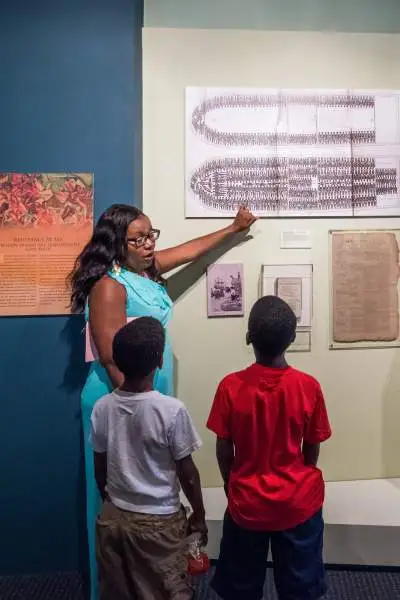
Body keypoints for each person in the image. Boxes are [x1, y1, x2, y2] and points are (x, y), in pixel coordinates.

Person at [69, 203, 256, 600]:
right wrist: (141, 409)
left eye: (152, 234)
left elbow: (189, 251)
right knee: (116, 497)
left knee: (149, 489)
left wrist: (233, 229)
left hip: (146, 397)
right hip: (119, 401)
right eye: (138, 239)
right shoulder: (109, 285)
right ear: (117, 244)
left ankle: (150, 577)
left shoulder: (144, 271)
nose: (149, 244)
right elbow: (107, 353)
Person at [206, 295, 332, 600]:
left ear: (249, 338)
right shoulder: (308, 386)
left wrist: (229, 483)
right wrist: (301, 475)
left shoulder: (230, 386)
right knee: (300, 588)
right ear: (291, 338)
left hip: (247, 501)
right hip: (296, 501)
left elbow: (224, 449)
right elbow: (312, 447)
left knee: (241, 587)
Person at [91, 316, 206, 600]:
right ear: (160, 361)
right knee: (166, 591)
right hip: (158, 523)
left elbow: (100, 468)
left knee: (119, 591)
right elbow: (187, 472)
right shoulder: (171, 410)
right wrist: (199, 516)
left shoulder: (102, 407)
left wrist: (112, 501)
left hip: (113, 517)